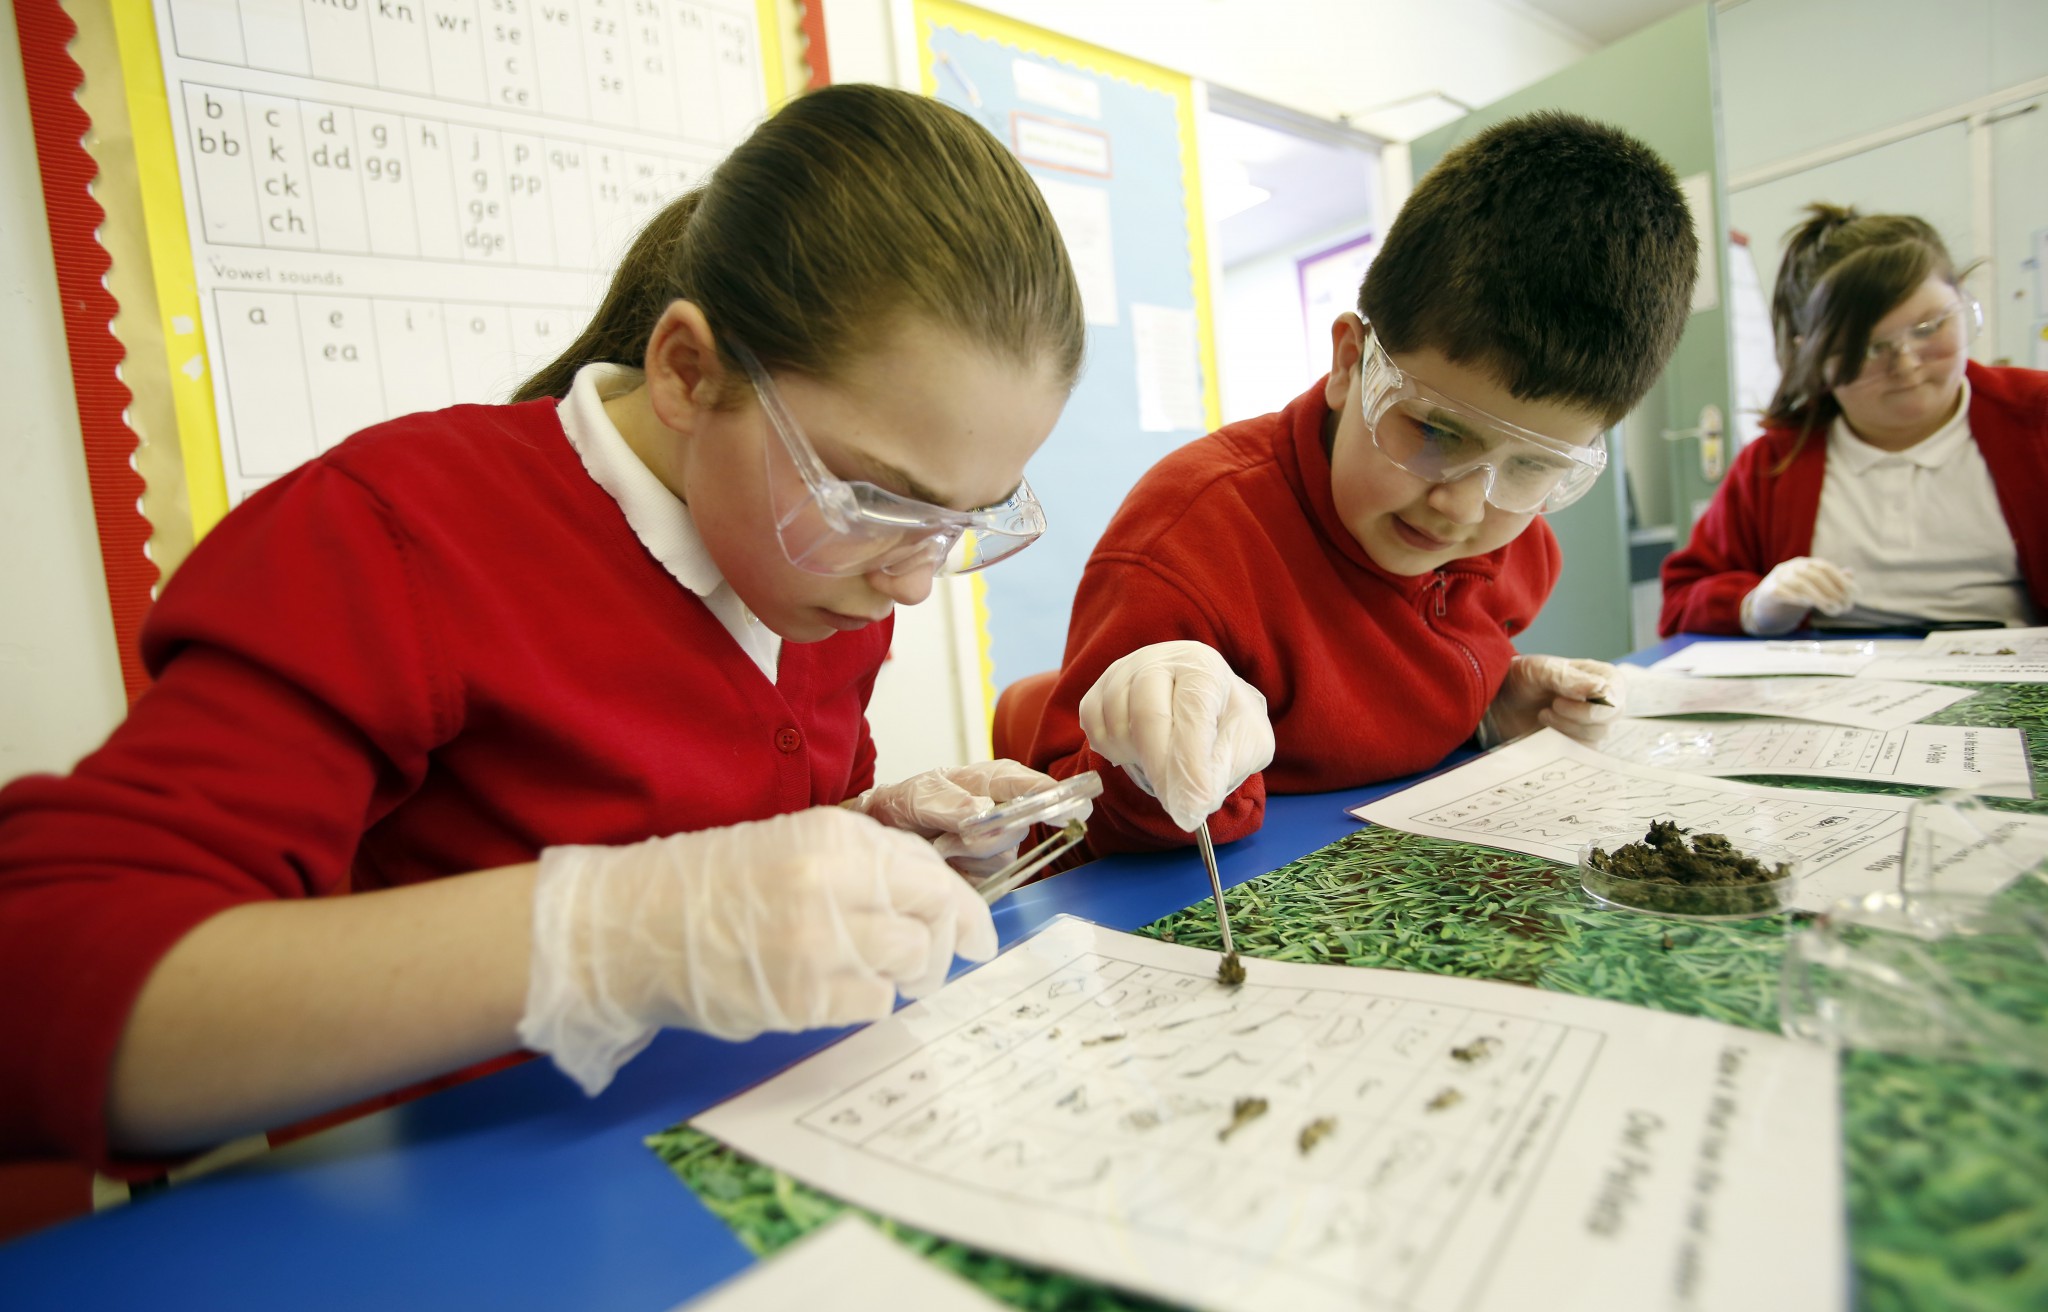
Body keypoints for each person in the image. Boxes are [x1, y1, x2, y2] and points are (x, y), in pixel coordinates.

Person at [0, 84, 1088, 1171]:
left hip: (740, 1155)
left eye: (960, 519)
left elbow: (723, 859)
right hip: (458, 1212)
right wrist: (604, 937)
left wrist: (870, 841)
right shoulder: (390, 536)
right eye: (872, 501)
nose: (909, 586)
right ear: (685, 370)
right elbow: (41, 983)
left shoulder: (820, 582)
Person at [1023, 112, 1698, 853]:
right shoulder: (1186, 549)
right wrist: (1147, 772)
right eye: (1437, 432)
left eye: (1534, 465)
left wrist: (1487, 710)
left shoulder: (1517, 544)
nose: (1464, 506)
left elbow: (1399, 685)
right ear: (1351, 363)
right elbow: (1061, 830)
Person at [1661, 204, 2048, 636]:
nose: (1907, 366)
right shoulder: (1773, 462)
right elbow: (1680, 600)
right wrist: (1753, 605)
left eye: (1927, 328)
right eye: (1867, 349)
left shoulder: (2037, 418)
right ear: (1813, 356)